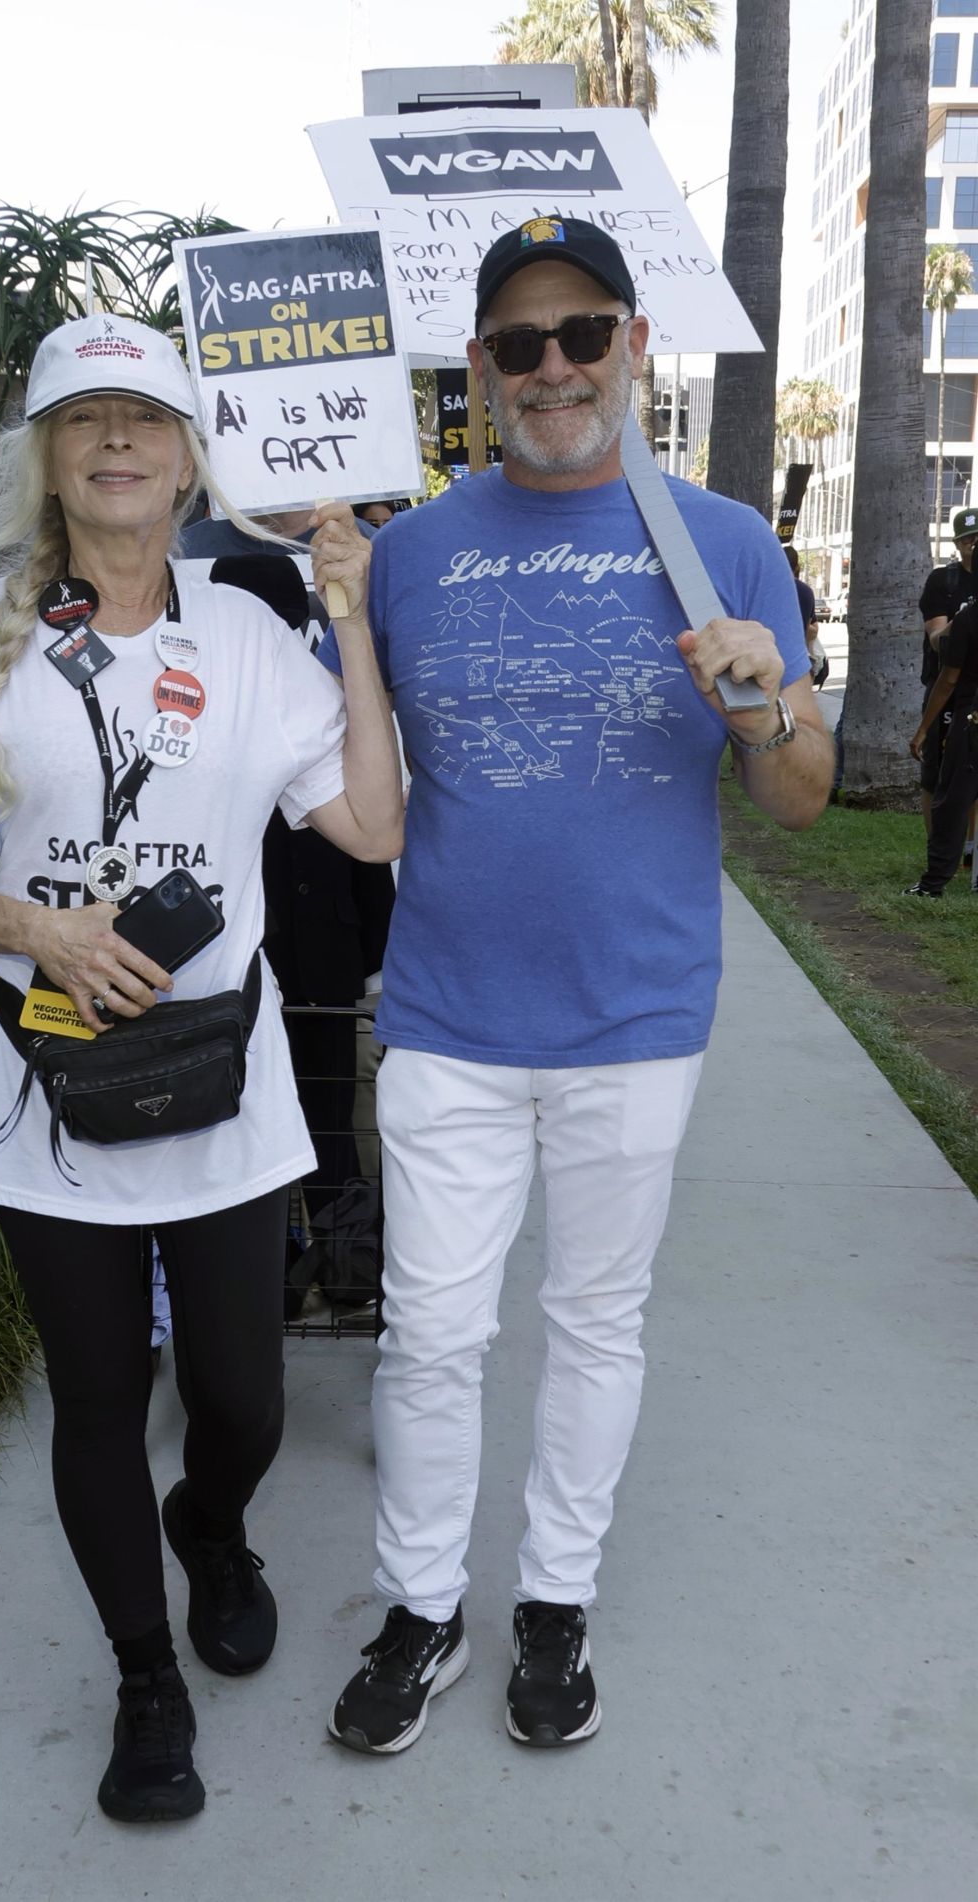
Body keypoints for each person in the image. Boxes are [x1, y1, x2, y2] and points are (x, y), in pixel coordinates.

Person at [0, 315, 402, 1823]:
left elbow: (369, 827)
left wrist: (349, 620)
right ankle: (143, 1677)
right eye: (85, 415)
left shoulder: (246, 623)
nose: (117, 438)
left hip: (220, 1081)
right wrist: (44, 928)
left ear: (187, 459)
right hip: (51, 1089)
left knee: (243, 1394)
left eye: (145, 418)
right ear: (46, 454)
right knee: (97, 1390)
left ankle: (214, 1521)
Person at [320, 217, 832, 1758]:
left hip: (634, 1016)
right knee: (428, 1333)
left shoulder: (724, 541)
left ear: (634, 346)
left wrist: (762, 704)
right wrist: (334, 602)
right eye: (521, 344)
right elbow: (367, 783)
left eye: (584, 333)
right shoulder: (405, 552)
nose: (555, 369)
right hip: (450, 1017)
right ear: (478, 368)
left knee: (598, 1321)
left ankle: (556, 1600)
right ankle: (422, 1606)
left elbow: (802, 796)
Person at [182, 502, 396, 1241]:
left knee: (328, 1108)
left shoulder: (325, 708)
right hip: (226, 943)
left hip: (325, 944)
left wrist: (376, 953)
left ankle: (341, 1262)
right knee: (235, 1113)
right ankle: (270, 1261)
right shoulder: (186, 559)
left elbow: (368, 839)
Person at [905, 592, 978, 895]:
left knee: (952, 801)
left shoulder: (969, 618)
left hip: (971, 718)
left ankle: (933, 883)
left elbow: (948, 679)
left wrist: (923, 729)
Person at [917, 507, 978, 837]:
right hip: (946, 691)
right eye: (968, 539)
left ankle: (970, 852)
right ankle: (937, 846)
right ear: (958, 544)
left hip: (975, 692)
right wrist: (967, 616)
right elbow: (938, 641)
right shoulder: (944, 581)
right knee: (936, 773)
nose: (974, 545)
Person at [783, 543, 827, 688]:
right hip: (797, 658)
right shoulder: (806, 591)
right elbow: (810, 629)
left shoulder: (769, 588)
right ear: (797, 567)